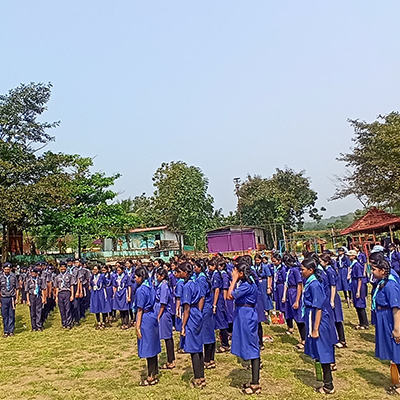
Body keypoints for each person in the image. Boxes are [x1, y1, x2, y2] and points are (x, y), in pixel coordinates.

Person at [301, 257, 337, 394]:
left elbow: (319, 308)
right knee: (318, 351)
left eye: (303, 269)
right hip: (312, 316)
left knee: (323, 350)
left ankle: (329, 385)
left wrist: (315, 329)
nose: (301, 272)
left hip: (318, 320)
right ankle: (324, 380)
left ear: (311, 270)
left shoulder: (315, 285)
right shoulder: (310, 282)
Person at [228, 261, 261, 395]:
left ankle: (255, 383)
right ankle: (253, 380)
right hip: (244, 313)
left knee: (252, 346)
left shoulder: (246, 285)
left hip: (246, 315)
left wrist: (234, 280)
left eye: (236, 271)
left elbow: (230, 295)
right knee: (248, 343)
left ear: (241, 273)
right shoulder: (248, 282)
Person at [371, 259, 400, 395]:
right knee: (392, 351)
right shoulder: (382, 282)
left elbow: (396, 308)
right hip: (383, 318)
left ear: (382, 271)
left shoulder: (391, 285)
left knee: (397, 351)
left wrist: (397, 329)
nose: (372, 272)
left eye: (374, 269)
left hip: (390, 319)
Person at [178, 262, 205, 389]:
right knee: (199, 347)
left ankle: (198, 378)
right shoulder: (196, 282)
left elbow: (186, 308)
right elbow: (202, 298)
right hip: (197, 313)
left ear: (185, 272)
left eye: (180, 271)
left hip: (191, 315)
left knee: (193, 348)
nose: (178, 273)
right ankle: (202, 375)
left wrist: (183, 325)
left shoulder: (187, 286)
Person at [135, 266, 161, 386]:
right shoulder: (151, 286)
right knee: (153, 346)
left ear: (141, 277)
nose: (135, 279)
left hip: (145, 318)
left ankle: (150, 377)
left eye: (136, 277)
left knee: (148, 347)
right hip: (152, 316)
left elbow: (139, 310)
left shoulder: (141, 290)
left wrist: (137, 326)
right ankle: (154, 373)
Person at [320, 254, 347, 349]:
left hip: (333, 296)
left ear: (326, 262)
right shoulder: (325, 270)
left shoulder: (330, 271)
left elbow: (333, 286)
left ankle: (342, 340)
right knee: (332, 319)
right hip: (328, 296)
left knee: (337, 319)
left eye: (321, 261)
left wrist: (332, 300)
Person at [281, 254, 306, 350]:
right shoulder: (289, 270)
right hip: (290, 293)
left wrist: (297, 300)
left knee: (299, 318)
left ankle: (304, 340)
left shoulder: (295, 270)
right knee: (294, 317)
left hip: (295, 293)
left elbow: (299, 285)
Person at [195, 259, 216, 369]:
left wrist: (199, 311)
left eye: (196, 266)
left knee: (207, 334)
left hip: (205, 308)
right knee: (209, 332)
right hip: (207, 306)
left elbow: (202, 297)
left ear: (200, 267)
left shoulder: (201, 279)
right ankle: (210, 358)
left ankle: (208, 359)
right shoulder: (203, 276)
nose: (194, 268)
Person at [155, 268, 175, 369]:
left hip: (164, 313)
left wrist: (158, 315)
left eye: (157, 276)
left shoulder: (164, 286)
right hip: (161, 311)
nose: (156, 278)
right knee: (167, 337)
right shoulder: (161, 284)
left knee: (167, 337)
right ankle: (170, 359)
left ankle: (171, 361)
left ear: (162, 276)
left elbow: (163, 302)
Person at [209, 259, 230, 352]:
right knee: (219, 321)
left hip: (218, 300)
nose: (209, 268)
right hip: (216, 298)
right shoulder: (214, 274)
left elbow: (217, 290)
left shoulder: (217, 275)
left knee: (221, 322)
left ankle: (225, 344)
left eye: (210, 266)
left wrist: (214, 304)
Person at [348, 250, 369, 329]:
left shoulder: (357, 265)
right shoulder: (352, 264)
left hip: (358, 285)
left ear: (354, 256)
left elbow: (360, 278)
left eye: (350, 255)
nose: (348, 257)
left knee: (360, 305)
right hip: (354, 284)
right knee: (357, 305)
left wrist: (358, 290)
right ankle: (361, 322)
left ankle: (365, 323)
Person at [0, 262, 19, 337]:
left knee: (11, 314)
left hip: (11, 298)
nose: (7, 271)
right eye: (5, 269)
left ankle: (11, 331)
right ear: (3, 269)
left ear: (10, 269)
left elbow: (17, 288)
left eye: (8, 269)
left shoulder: (13, 277)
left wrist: (17, 298)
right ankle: (6, 331)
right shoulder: (1, 277)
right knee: (5, 315)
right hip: (4, 298)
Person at [90, 265, 111, 329]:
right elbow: (90, 283)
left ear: (99, 270)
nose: (94, 271)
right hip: (95, 293)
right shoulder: (92, 276)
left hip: (101, 292)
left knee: (103, 306)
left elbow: (106, 283)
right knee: (96, 307)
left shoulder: (102, 276)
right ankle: (98, 322)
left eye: (96, 269)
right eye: (94, 269)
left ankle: (104, 322)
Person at [54, 262, 74, 329]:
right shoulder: (57, 277)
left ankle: (69, 323)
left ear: (66, 268)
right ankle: (64, 323)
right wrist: (56, 297)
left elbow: (71, 285)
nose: (63, 268)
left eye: (64, 267)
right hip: (60, 293)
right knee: (61, 309)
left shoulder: (69, 276)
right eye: (61, 267)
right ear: (59, 268)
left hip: (67, 292)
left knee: (67, 308)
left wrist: (72, 295)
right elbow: (56, 287)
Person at [112, 265, 131, 329]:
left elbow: (129, 286)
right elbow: (115, 286)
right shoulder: (116, 277)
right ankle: (123, 323)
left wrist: (129, 296)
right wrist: (114, 294)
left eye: (119, 270)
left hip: (124, 293)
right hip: (118, 293)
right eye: (117, 270)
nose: (118, 271)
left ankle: (127, 323)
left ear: (122, 270)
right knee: (120, 309)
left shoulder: (126, 277)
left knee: (125, 309)